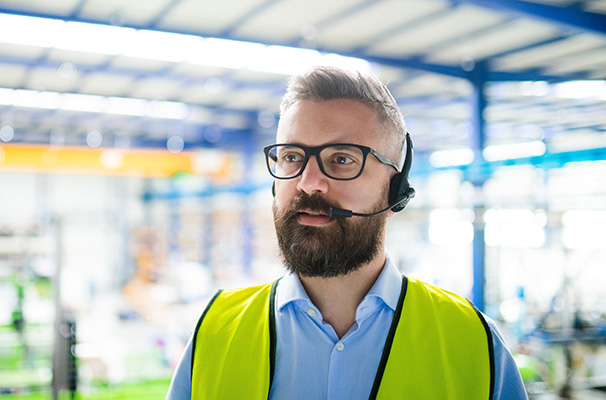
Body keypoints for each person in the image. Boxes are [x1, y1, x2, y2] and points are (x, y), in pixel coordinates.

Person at [165, 65, 527, 399]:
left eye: (341, 159)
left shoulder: (474, 343)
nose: (309, 183)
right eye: (291, 156)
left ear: (395, 187)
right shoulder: (213, 330)